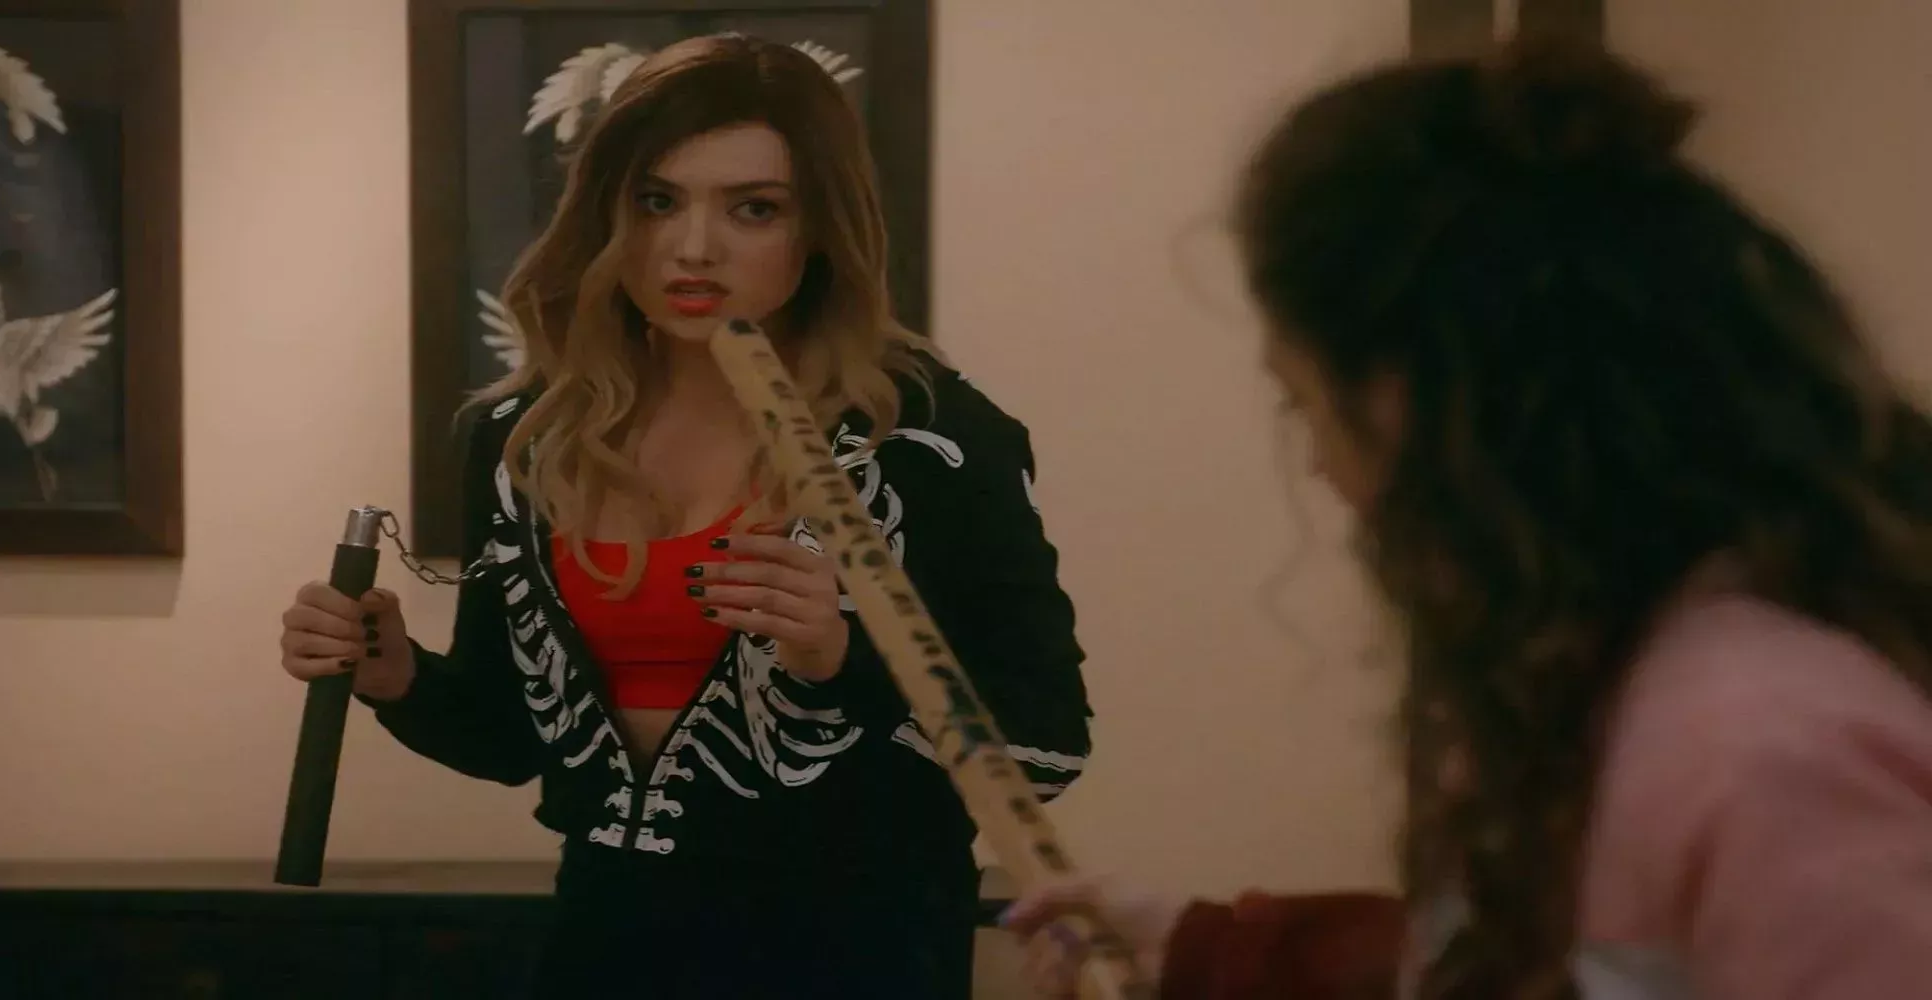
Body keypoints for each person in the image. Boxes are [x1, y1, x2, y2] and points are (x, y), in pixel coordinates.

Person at [1004, 36, 1932, 1000]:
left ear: (1408, 402)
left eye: (1304, 404)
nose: (1320, 468)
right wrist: (1217, 953)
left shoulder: (1762, 752)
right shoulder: (1589, 688)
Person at [276, 34, 1094, 1000]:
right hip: (606, 942)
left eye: (754, 208)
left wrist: (846, 657)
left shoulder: (929, 441)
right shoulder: (531, 436)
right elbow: (509, 740)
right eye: (657, 201)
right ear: (606, 213)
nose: (693, 247)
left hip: (859, 948)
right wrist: (398, 676)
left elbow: (1044, 748)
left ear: (821, 226)